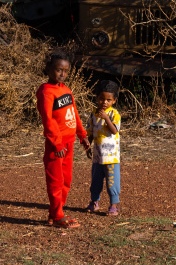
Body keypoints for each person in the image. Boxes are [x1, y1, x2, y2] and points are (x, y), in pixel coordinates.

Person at [36, 50, 92, 229]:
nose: (63, 74)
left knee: (66, 181)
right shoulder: (46, 91)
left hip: (69, 143)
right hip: (56, 146)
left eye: (66, 71)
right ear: (48, 69)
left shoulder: (66, 90)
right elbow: (48, 119)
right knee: (56, 181)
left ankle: (55, 213)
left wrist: (82, 135)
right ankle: (58, 215)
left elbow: (73, 114)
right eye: (59, 70)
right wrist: (56, 142)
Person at [86, 80, 121, 216]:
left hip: (111, 156)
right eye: (101, 99)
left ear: (114, 100)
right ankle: (94, 202)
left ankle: (113, 206)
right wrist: (87, 146)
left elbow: (114, 130)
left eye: (108, 100)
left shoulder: (114, 114)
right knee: (96, 180)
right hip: (97, 155)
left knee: (112, 181)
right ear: (97, 98)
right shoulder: (93, 114)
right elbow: (90, 132)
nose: (104, 102)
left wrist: (106, 118)